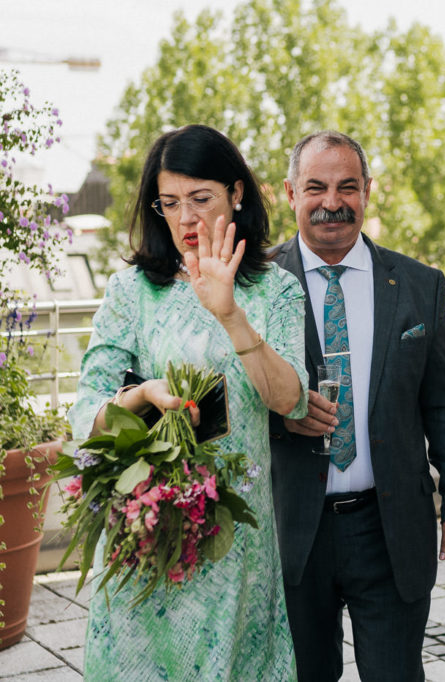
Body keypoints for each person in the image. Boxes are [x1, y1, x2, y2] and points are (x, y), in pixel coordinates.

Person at [67, 124, 308, 679]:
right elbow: (86, 411)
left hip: (235, 541)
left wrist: (229, 313)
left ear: (236, 194)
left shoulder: (275, 289)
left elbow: (290, 402)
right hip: (149, 530)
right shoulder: (133, 290)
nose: (186, 219)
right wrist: (139, 397)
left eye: (201, 199)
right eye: (170, 203)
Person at [268, 131, 445, 681]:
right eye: (316, 187)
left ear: (368, 191)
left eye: (347, 187)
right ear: (290, 192)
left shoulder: (417, 285)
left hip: (389, 528)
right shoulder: (258, 287)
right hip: (292, 532)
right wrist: (282, 411)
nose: (332, 202)